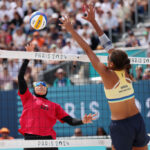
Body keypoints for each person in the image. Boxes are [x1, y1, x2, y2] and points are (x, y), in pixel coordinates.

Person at [60, 4, 150, 150]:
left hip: (121, 126)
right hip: (137, 121)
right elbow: (108, 45)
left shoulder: (108, 76)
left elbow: (88, 50)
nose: (106, 59)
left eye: (108, 59)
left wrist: (70, 30)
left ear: (112, 64)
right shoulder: (126, 70)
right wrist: (93, 22)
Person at [18, 43, 96, 150]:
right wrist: (27, 58)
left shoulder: (54, 106)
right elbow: (20, 78)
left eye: (43, 84)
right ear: (34, 88)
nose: (40, 86)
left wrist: (83, 121)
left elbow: (71, 121)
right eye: (37, 85)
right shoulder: (28, 97)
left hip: (48, 140)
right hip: (31, 139)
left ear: (46, 89)